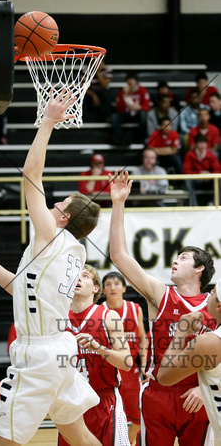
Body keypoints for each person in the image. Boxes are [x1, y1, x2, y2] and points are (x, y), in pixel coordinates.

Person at [0, 89, 103, 446]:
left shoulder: (50, 235)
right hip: (60, 348)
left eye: (59, 202)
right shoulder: (72, 250)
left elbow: (30, 174)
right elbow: (20, 287)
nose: (51, 204)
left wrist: (48, 121)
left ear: (64, 217)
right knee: (77, 434)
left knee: (0, 439)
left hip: (39, 352)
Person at [108, 169, 216, 446]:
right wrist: (118, 204)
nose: (175, 261)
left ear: (200, 268)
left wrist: (210, 391)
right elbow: (119, 256)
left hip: (198, 393)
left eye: (183, 257)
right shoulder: (160, 294)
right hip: (158, 393)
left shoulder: (215, 303)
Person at [58, 265, 132, 446]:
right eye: (75, 276)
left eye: (84, 276)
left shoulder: (109, 316)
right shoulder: (59, 318)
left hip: (104, 401)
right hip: (71, 401)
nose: (78, 279)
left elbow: (127, 362)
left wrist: (98, 347)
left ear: (96, 288)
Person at [157, 279, 221, 444]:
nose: (208, 296)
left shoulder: (208, 342)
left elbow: (164, 376)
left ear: (219, 306)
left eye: (212, 293)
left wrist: (182, 331)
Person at [102, 271, 147, 445]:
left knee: (137, 418)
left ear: (124, 288)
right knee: (109, 416)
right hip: (109, 370)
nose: (113, 287)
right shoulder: (100, 311)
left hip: (131, 370)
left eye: (116, 283)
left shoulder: (135, 309)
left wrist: (144, 364)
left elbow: (143, 338)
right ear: (103, 290)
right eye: (108, 284)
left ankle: (129, 440)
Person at [112, 72, 151, 145]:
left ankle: (142, 138)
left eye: (132, 83)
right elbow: (119, 109)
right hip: (126, 113)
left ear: (136, 82)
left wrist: (140, 107)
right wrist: (124, 95)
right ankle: (119, 138)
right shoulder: (122, 92)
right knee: (114, 117)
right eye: (129, 84)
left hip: (137, 114)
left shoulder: (142, 91)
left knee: (144, 115)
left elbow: (147, 107)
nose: (131, 86)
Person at [183, 133, 221, 206]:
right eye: (200, 142)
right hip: (196, 180)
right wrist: (199, 174)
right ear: (196, 144)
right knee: (187, 180)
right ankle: (193, 205)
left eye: (204, 142)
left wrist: (209, 175)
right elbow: (185, 171)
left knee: (219, 179)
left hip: (208, 180)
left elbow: (218, 170)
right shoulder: (189, 155)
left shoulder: (211, 155)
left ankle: (216, 204)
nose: (202, 145)